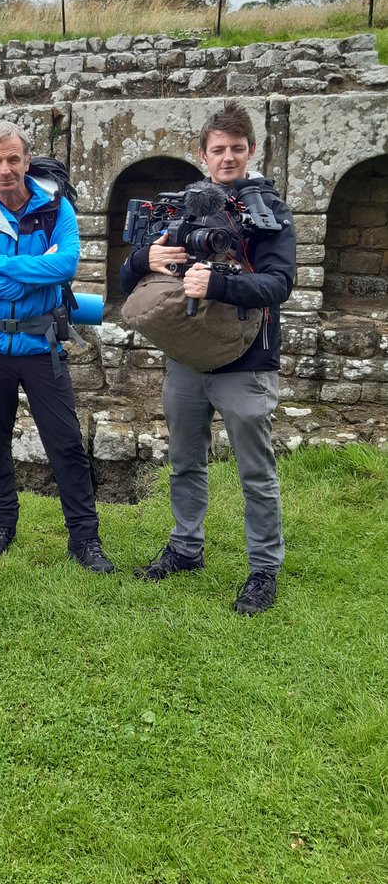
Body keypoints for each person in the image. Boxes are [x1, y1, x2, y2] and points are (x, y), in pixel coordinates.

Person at [122, 100, 296, 616]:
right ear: (202, 154)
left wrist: (219, 282)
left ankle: (263, 569)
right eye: (217, 150)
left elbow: (280, 283)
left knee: (255, 472)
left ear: (251, 151)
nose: (226, 158)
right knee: (184, 461)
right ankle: (185, 547)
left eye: (236, 150)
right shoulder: (180, 208)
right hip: (187, 358)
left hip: (247, 361)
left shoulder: (266, 210)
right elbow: (131, 283)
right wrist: (143, 257)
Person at [0, 120, 114, 571]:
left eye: (13, 159)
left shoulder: (56, 209)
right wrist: (27, 279)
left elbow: (64, 265)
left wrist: (0, 265)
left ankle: (84, 538)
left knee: (65, 444)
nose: (6, 169)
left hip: (42, 347)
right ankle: (2, 523)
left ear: (26, 160)